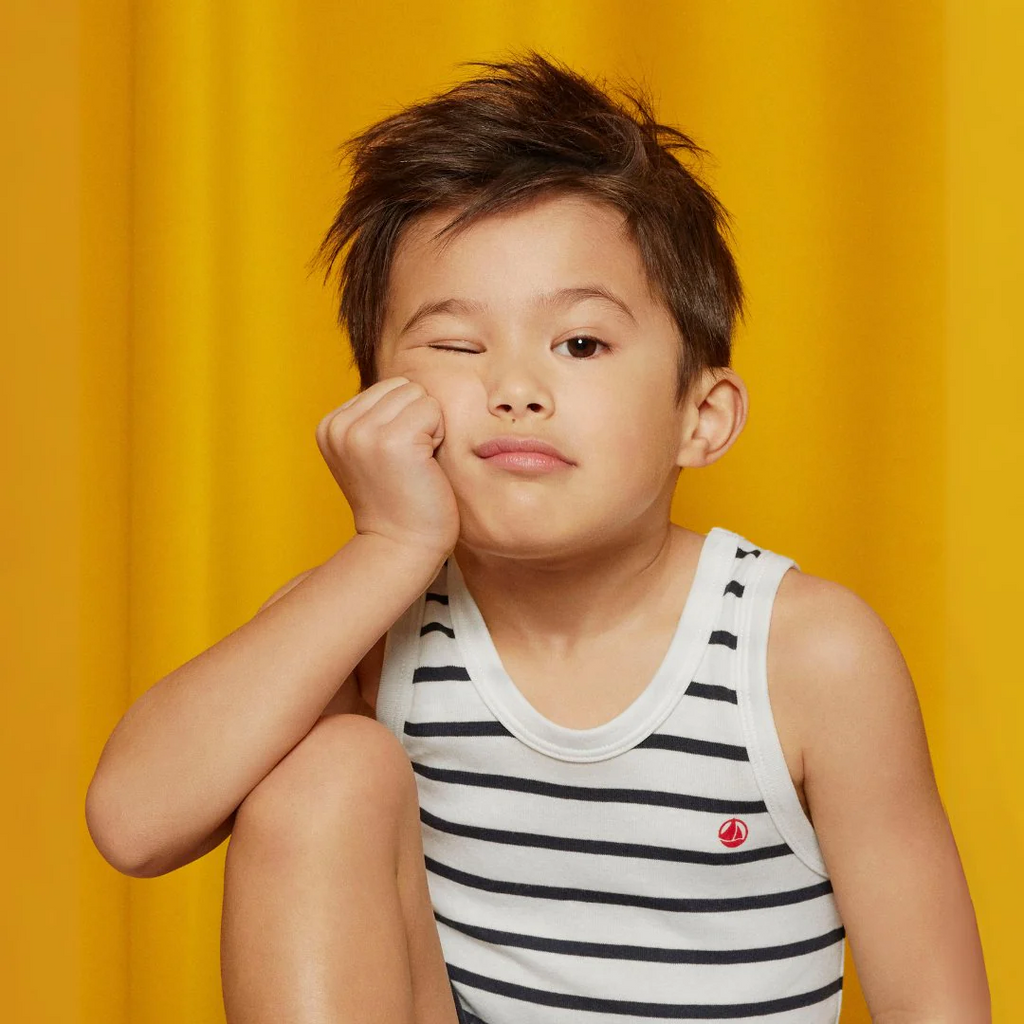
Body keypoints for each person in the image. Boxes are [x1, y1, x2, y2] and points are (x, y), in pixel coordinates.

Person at [85, 49, 990, 1023]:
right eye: (455, 345)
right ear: (380, 407)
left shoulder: (805, 654)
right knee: (325, 768)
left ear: (703, 413)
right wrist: (388, 546)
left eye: (581, 343)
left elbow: (935, 1002)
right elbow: (134, 824)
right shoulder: (368, 623)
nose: (515, 388)